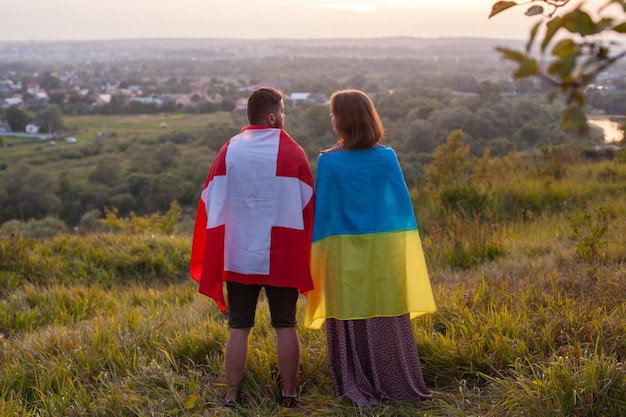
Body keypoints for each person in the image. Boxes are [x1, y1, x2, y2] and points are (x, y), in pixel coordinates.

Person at [304, 89, 436, 406]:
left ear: (343, 120)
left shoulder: (329, 163)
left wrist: (313, 263)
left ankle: (356, 380)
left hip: (342, 254)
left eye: (334, 113)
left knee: (350, 312)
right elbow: (399, 212)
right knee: (384, 311)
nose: (332, 119)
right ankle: (393, 379)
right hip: (383, 254)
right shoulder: (386, 156)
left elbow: (323, 217)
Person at [189, 87, 315, 408]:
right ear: (272, 117)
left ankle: (231, 396)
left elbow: (211, 200)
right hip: (281, 256)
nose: (284, 117)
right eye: (283, 112)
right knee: (285, 324)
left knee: (239, 326)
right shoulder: (293, 152)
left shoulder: (230, 150)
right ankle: (289, 394)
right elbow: (308, 206)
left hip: (239, 256)